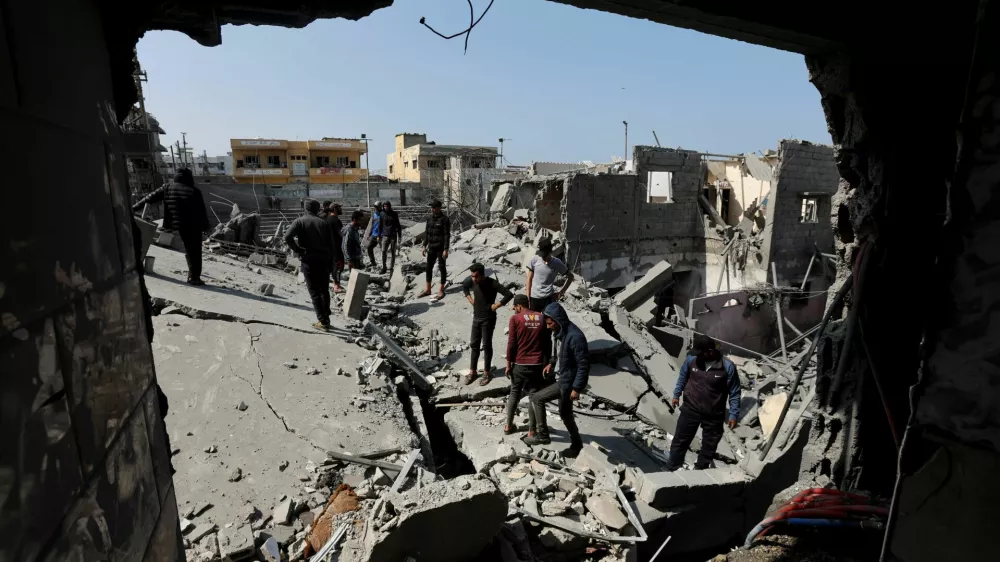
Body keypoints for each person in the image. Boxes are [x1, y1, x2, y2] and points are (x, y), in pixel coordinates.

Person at [666, 335, 742, 471]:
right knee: (679, 441)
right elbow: (683, 376)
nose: (697, 356)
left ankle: (699, 472)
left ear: (710, 352)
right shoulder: (691, 360)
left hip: (714, 414)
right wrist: (676, 394)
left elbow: (735, 392)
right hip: (690, 408)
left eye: (700, 353)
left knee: (709, 447)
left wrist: (733, 414)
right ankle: (672, 468)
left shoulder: (727, 367)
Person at [524, 302, 589, 458]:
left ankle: (543, 435)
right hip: (562, 377)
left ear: (558, 319)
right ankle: (577, 445)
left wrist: (576, 388)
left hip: (567, 383)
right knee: (565, 414)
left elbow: (584, 365)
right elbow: (558, 354)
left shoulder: (575, 337)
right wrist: (551, 364)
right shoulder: (559, 332)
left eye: (549, 323)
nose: (547, 327)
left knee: (537, 398)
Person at [131, 168, 210, 285]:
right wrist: (206, 227)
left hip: (175, 223)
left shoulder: (167, 187)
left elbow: (149, 198)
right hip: (193, 224)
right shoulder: (194, 191)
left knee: (188, 249)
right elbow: (201, 210)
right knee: (194, 250)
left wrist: (133, 208)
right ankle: (194, 277)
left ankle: (193, 277)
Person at [284, 199, 338, 330]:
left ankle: (323, 321)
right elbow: (332, 245)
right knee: (324, 290)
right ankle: (326, 316)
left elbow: (287, 237)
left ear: (306, 208)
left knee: (314, 291)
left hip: (309, 260)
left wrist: (298, 250)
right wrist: (333, 263)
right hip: (324, 260)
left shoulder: (300, 221)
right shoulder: (324, 223)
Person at [462, 263, 514, 387]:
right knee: (474, 345)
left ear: (482, 275)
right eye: (472, 276)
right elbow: (464, 286)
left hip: (488, 319)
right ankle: (473, 372)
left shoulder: (492, 283)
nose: (473, 279)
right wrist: (470, 299)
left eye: (476, 276)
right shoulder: (471, 280)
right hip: (476, 318)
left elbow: (508, 294)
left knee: (486, 345)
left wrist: (496, 305)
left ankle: (487, 373)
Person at [504, 294, 549, 436]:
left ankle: (508, 426)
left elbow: (511, 343)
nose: (514, 310)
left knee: (514, 393)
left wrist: (508, 364)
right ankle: (532, 430)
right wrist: (547, 363)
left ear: (519, 306)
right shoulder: (541, 317)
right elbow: (547, 343)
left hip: (519, 363)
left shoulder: (515, 319)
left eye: (515, 308)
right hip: (537, 364)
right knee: (533, 396)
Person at [526, 238, 574, 312]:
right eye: (542, 254)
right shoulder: (535, 259)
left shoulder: (557, 263)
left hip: (548, 299)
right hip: (534, 298)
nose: (543, 257)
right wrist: (527, 296)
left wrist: (561, 292)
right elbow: (529, 278)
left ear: (550, 252)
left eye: (544, 255)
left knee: (548, 322)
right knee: (535, 322)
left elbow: (570, 277)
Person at [420, 200, 451, 301]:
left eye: (434, 207)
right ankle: (428, 289)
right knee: (428, 268)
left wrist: (446, 249)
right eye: (431, 207)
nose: (432, 209)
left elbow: (447, 235)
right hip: (431, 247)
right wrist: (424, 245)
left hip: (440, 248)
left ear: (439, 208)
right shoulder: (429, 218)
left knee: (442, 268)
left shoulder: (445, 219)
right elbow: (427, 233)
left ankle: (441, 289)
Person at [321, 202, 345, 294]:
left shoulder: (327, 219)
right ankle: (336, 286)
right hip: (336, 247)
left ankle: (332, 284)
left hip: (329, 248)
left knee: (332, 266)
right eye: (339, 207)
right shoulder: (335, 220)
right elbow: (341, 233)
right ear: (335, 208)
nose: (341, 209)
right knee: (338, 266)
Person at [379, 201, 402, 274]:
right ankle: (384, 267)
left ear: (389, 206)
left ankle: (391, 267)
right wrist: (378, 235)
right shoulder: (382, 214)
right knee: (383, 251)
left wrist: (400, 235)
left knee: (393, 252)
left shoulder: (394, 214)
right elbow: (380, 225)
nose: (386, 207)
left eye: (387, 206)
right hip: (385, 235)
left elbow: (398, 225)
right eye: (384, 206)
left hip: (393, 235)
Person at [363, 201, 383, 269]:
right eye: (375, 207)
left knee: (383, 250)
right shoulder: (374, 214)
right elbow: (372, 225)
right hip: (374, 235)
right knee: (369, 248)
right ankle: (373, 263)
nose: (376, 208)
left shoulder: (383, 214)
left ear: (380, 207)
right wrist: (369, 233)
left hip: (381, 236)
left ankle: (384, 265)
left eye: (377, 207)